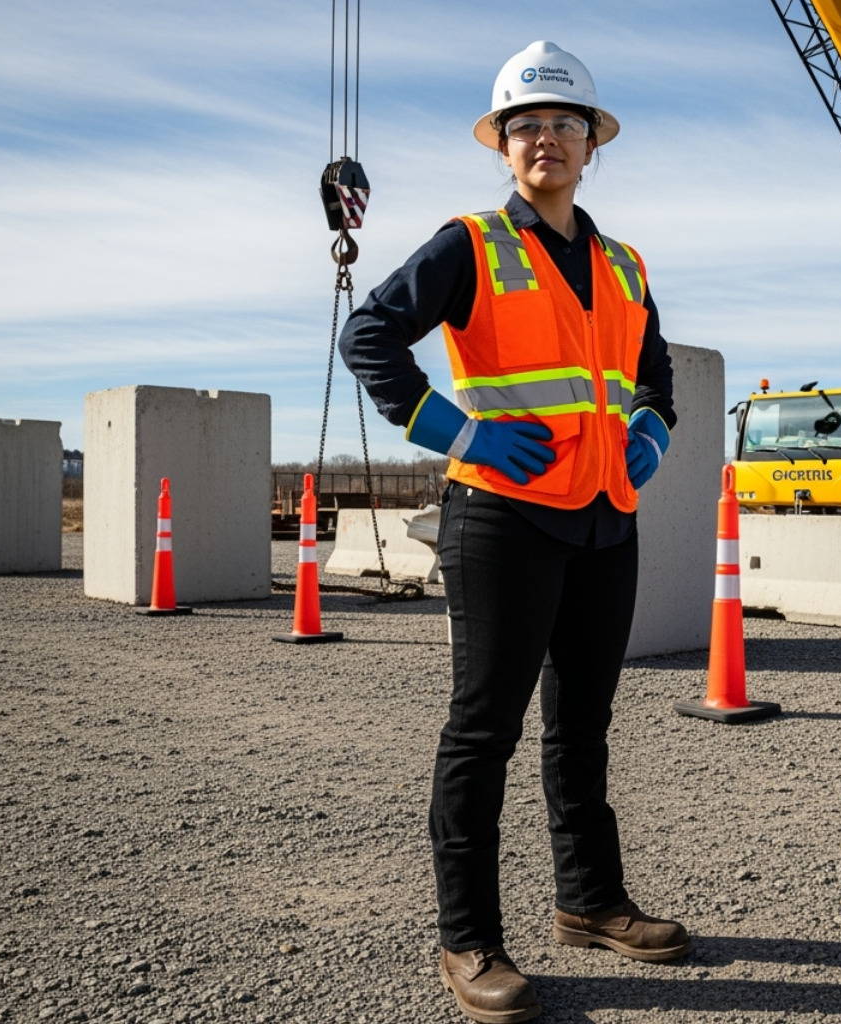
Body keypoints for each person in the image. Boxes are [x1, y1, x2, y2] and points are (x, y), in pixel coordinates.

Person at [338, 40, 689, 1024]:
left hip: (603, 520)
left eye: (564, 125)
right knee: (484, 729)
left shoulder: (622, 263)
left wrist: (652, 437)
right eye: (526, 126)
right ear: (502, 145)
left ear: (592, 145)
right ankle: (468, 939)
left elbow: (653, 376)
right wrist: (458, 429)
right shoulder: (472, 244)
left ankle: (590, 901)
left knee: (583, 723)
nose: (546, 140)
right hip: (501, 518)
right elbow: (368, 335)